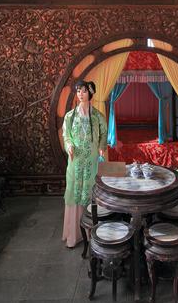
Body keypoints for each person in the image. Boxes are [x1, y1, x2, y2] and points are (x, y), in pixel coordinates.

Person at [62, 80, 107, 248]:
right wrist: (69, 146)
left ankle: (92, 234)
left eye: (84, 91)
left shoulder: (97, 116)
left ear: (90, 93)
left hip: (91, 160)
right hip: (76, 160)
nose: (80, 94)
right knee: (74, 190)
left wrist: (101, 147)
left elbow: (103, 134)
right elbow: (66, 135)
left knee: (90, 190)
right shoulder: (70, 116)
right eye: (78, 91)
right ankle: (74, 234)